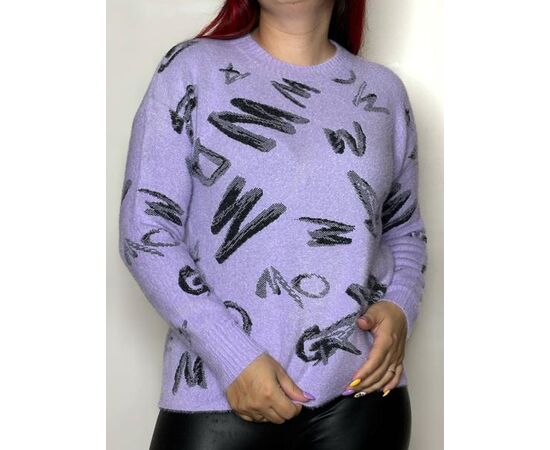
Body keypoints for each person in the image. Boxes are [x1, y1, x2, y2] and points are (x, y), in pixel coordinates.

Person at [118, 0, 428, 448]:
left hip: (362, 397)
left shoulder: (384, 92)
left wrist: (399, 307)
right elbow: (145, 233)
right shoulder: (192, 70)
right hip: (218, 392)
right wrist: (232, 356)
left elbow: (404, 230)